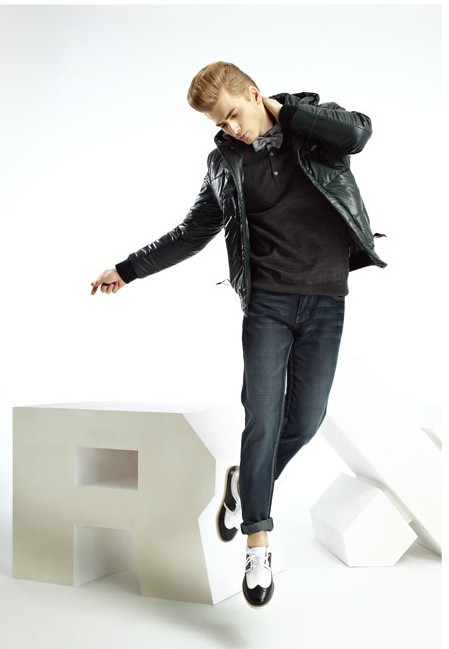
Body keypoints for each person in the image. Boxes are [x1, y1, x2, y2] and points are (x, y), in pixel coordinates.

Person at [91, 61, 386, 608]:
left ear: (254, 94)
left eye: (233, 115)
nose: (232, 129)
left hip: (326, 298)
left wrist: (287, 114)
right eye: (219, 124)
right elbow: (192, 232)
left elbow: (359, 134)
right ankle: (257, 543)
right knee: (263, 420)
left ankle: (243, 483)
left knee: (306, 420)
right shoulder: (224, 163)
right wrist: (128, 269)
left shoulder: (313, 127)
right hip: (268, 303)